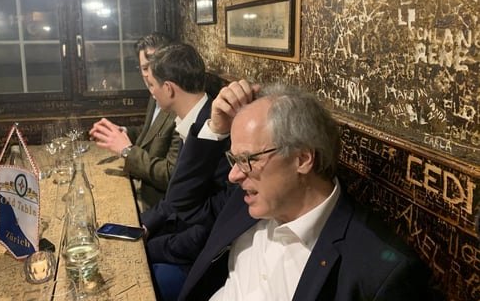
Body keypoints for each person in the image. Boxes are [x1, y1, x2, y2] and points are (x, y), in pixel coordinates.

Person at [168, 79, 439, 300]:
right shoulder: (247, 200)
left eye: (247, 160)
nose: (234, 175)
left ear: (302, 159)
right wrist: (215, 128)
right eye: (234, 159)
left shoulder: (378, 271)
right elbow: (182, 205)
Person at [139, 43, 231, 301]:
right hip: (179, 233)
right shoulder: (191, 117)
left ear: (168, 88)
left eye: (152, 85)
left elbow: (210, 221)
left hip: (201, 259)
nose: (151, 92)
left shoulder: (215, 128)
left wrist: (150, 247)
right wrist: (145, 225)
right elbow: (174, 198)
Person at [89, 34, 180, 212]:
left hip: (158, 207)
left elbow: (170, 175)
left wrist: (126, 151)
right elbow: (151, 133)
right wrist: (121, 132)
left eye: (154, 66)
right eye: (144, 68)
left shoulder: (180, 104)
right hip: (140, 186)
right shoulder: (154, 94)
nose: (149, 74)